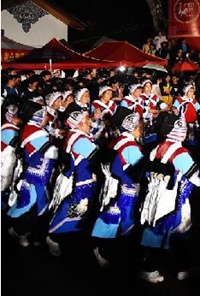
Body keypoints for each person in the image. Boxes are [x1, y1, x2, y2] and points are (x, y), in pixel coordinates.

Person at [137, 111, 200, 284]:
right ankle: (159, 269)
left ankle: (171, 267)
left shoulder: (156, 148)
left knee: (158, 230)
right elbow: (194, 178)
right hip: (174, 199)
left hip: (155, 197)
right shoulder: (180, 153)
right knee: (176, 231)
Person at [90, 106, 146, 270]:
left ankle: (103, 248)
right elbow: (138, 171)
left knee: (112, 217)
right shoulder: (130, 146)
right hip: (124, 187)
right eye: (140, 128)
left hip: (112, 185)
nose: (141, 131)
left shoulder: (117, 140)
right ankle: (105, 251)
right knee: (121, 220)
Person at [47, 110, 100, 257]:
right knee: (73, 208)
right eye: (88, 121)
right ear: (80, 124)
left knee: (78, 210)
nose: (90, 123)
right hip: (81, 180)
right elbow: (96, 157)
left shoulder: (77, 135)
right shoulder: (80, 140)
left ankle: (68, 237)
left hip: (82, 178)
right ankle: (53, 235)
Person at [7, 100, 59, 248]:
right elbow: (49, 152)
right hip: (37, 174)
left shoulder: (30, 129)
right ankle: (20, 231)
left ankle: (28, 232)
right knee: (39, 205)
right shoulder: (36, 133)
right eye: (43, 115)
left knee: (36, 203)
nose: (46, 118)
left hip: (36, 172)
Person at [1, 104, 22, 211]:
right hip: (3, 161)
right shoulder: (9, 130)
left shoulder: (12, 128)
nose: (19, 118)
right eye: (17, 116)